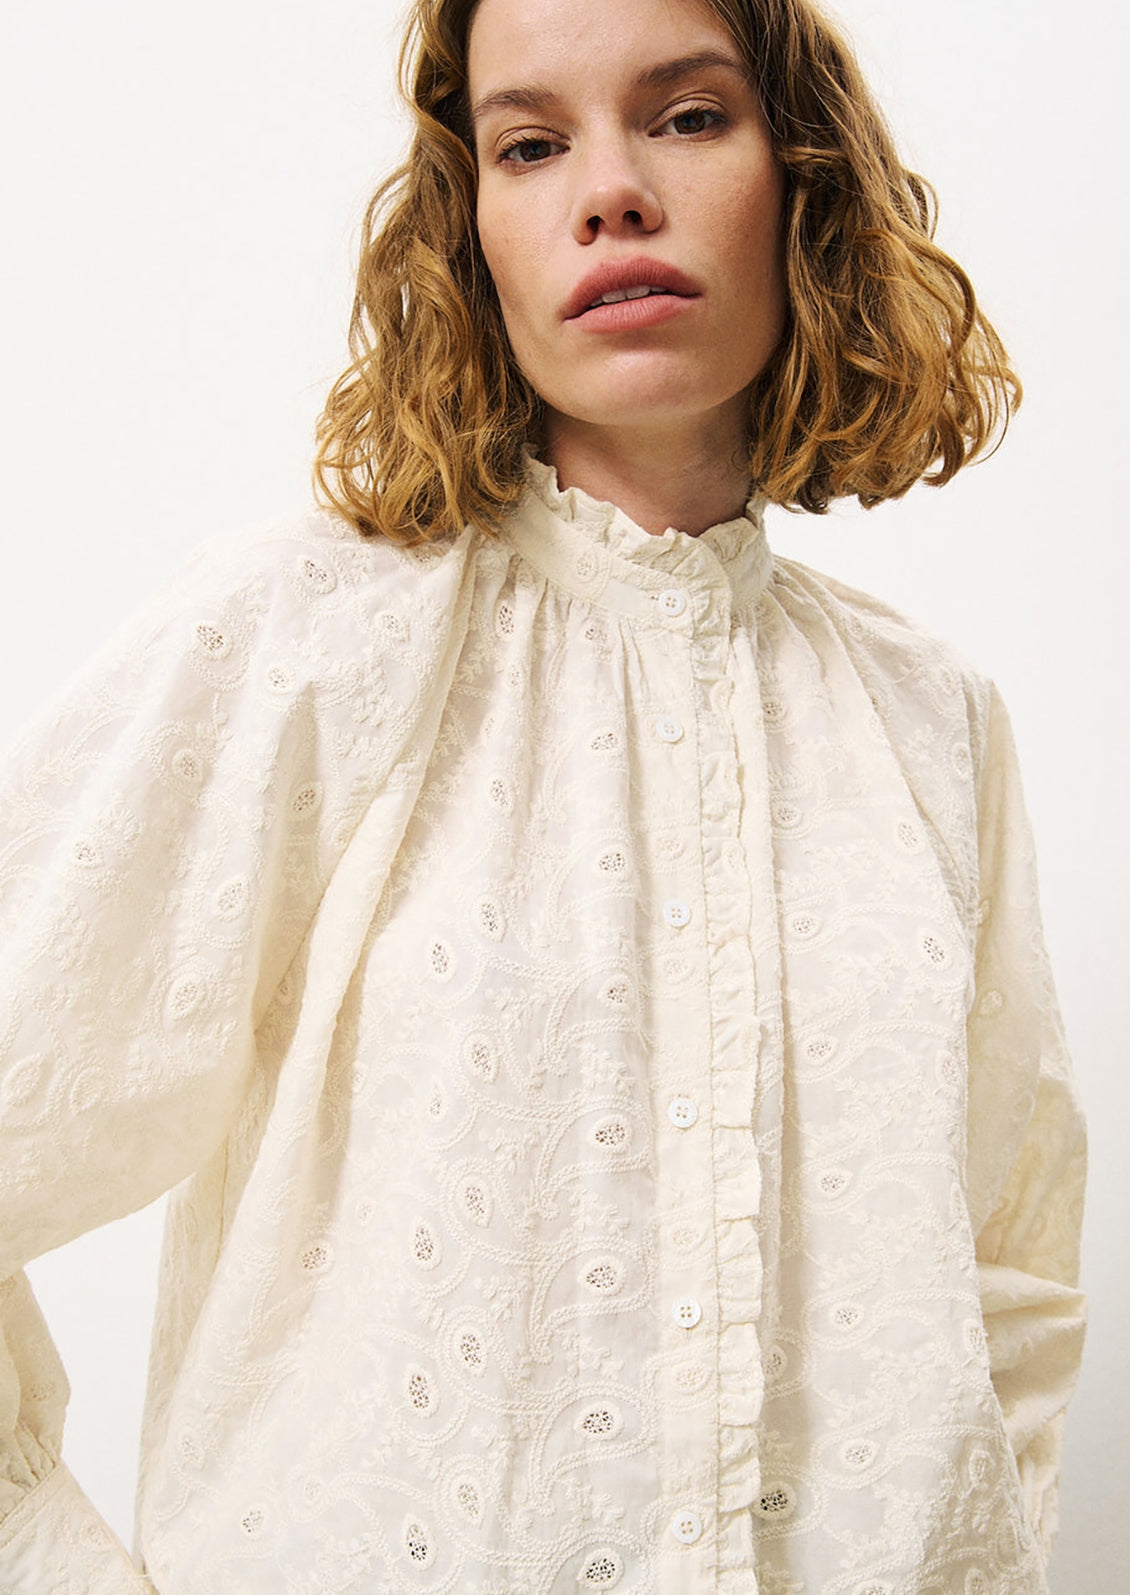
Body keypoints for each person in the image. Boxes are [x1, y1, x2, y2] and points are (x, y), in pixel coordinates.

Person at [0, 0, 1087, 1590]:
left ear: (804, 180)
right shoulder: (306, 643)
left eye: (690, 116)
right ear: (471, 231)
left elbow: (1011, 1285)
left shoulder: (932, 721)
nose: (610, 191)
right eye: (529, 144)